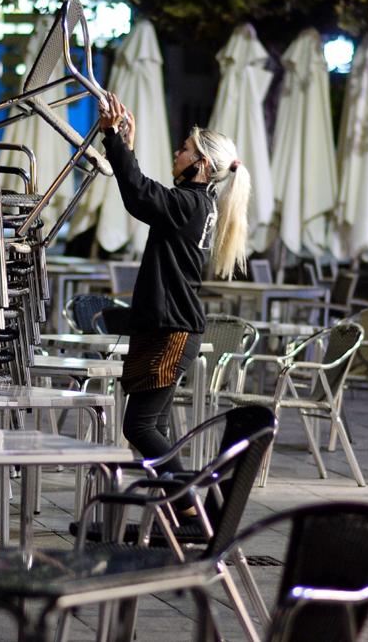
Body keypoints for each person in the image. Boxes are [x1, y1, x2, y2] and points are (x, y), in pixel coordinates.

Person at [96, 92, 251, 519]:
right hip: (168, 328)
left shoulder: (189, 205)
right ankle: (179, 510)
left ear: (200, 165)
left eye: (184, 149)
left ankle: (186, 506)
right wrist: (125, 141)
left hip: (171, 331)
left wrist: (114, 138)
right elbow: (146, 191)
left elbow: (138, 194)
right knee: (154, 427)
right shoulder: (195, 205)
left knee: (140, 426)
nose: (177, 152)